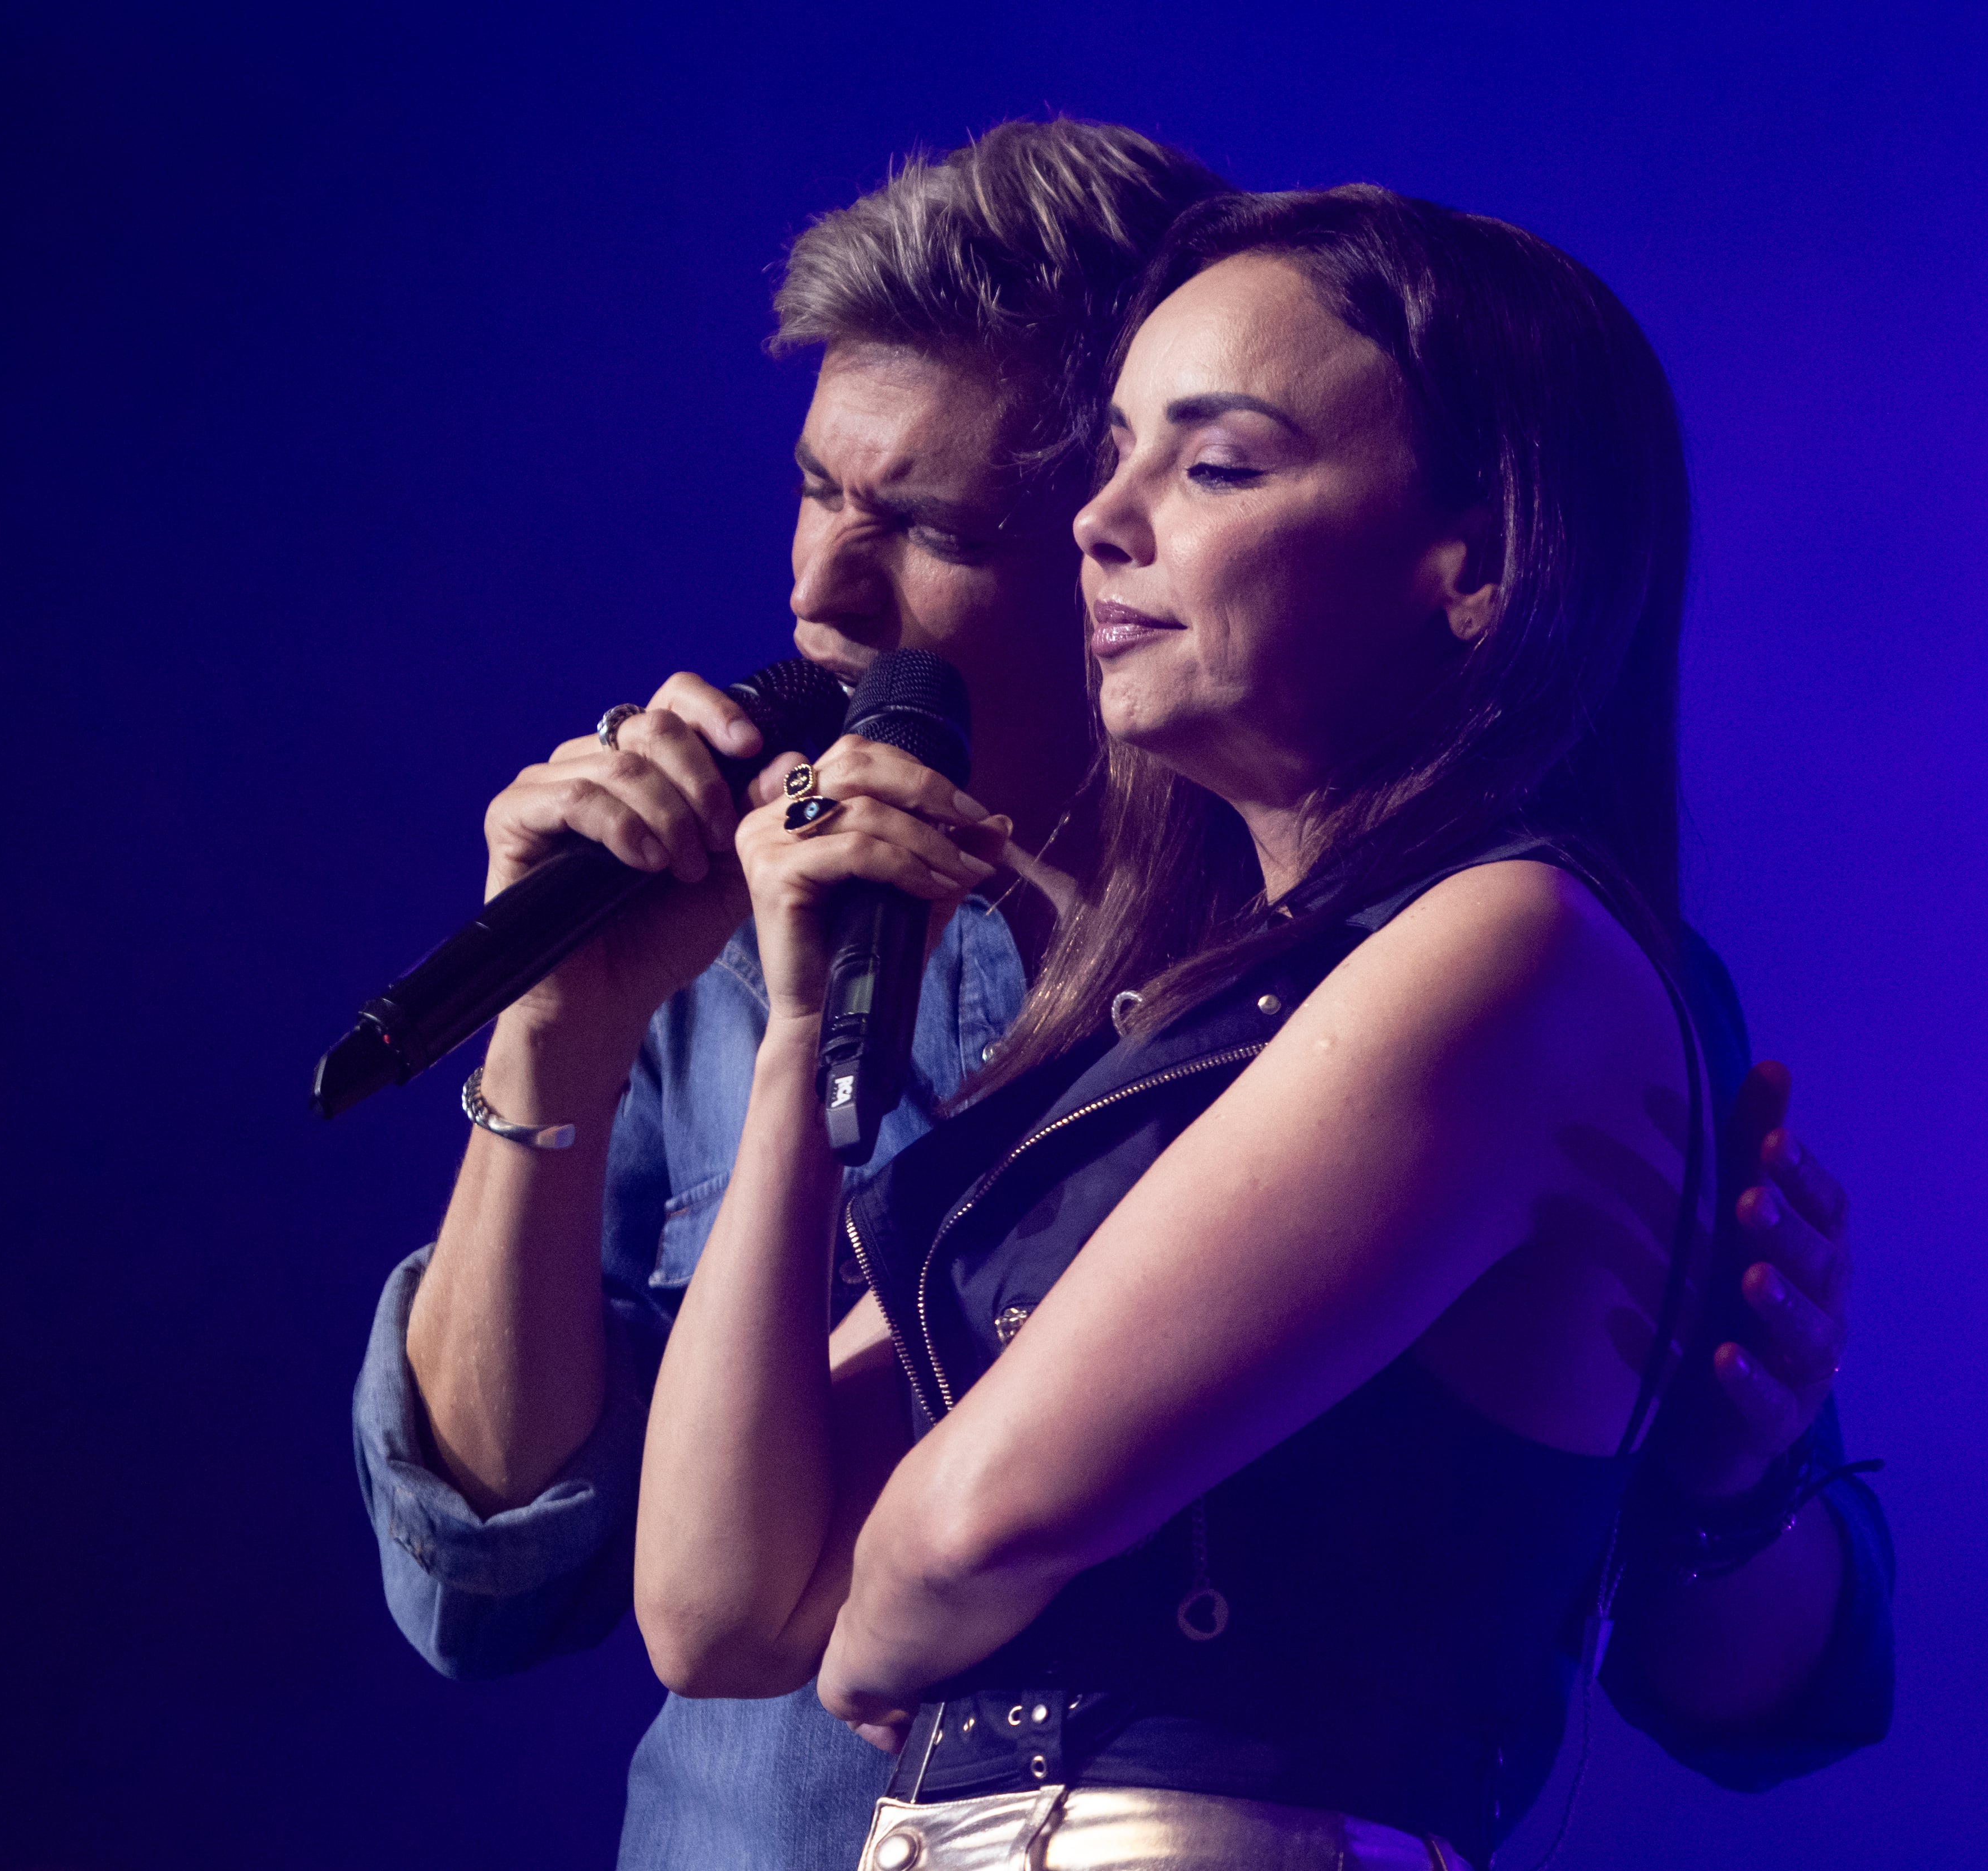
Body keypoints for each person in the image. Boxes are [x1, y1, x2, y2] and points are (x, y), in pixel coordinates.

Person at [351, 125, 1885, 1871]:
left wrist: (1724, 1484)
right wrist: (559, 1033)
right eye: (818, 495)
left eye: (932, 525)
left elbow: (1778, 1692)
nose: (822, 598)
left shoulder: (1486, 963)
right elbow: (503, 1581)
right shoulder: (737, 958)